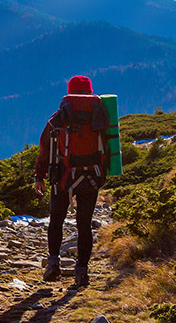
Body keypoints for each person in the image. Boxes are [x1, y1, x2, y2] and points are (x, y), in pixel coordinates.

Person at [34, 75, 108, 288]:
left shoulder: (60, 116)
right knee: (84, 224)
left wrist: (40, 176)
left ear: (69, 91)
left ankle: (53, 264)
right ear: (90, 91)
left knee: (56, 220)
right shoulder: (100, 115)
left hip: (63, 177)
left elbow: (45, 148)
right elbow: (110, 145)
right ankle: (82, 271)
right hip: (92, 176)